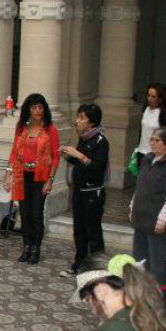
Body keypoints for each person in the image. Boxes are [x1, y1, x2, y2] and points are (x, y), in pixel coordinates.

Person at [5, 93, 60, 265]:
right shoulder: (21, 127)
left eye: (40, 107)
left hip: (40, 176)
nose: (37, 111)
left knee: (36, 213)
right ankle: (27, 246)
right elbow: (14, 151)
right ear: (28, 109)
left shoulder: (50, 129)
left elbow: (56, 156)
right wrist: (9, 173)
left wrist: (50, 179)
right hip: (23, 175)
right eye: (34, 107)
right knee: (25, 213)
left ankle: (36, 247)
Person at [60, 103, 111, 277]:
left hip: (93, 192)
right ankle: (79, 264)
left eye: (82, 118)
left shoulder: (101, 142)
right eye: (78, 117)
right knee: (79, 229)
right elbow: (80, 163)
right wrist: (68, 155)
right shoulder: (84, 138)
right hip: (79, 190)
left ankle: (99, 269)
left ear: (92, 122)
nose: (77, 121)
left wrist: (79, 155)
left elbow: (97, 167)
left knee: (93, 231)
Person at [130, 126, 166, 285]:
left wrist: (162, 220)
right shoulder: (147, 159)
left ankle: (158, 297)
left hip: (157, 222)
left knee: (157, 264)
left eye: (157, 140)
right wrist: (132, 207)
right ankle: (140, 293)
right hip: (142, 218)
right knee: (139, 260)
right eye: (152, 140)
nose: (153, 143)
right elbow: (139, 187)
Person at [134, 83, 166, 167]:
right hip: (141, 151)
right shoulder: (145, 109)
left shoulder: (162, 113)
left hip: (154, 154)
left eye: (153, 96)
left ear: (160, 99)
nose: (150, 98)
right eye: (148, 95)